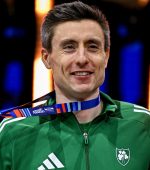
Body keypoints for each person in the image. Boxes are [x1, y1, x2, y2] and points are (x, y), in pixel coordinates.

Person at [0, 1, 150, 170]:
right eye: (69, 47)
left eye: (92, 47)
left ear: (106, 56)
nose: (82, 59)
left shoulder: (143, 125)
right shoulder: (11, 134)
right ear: (47, 58)